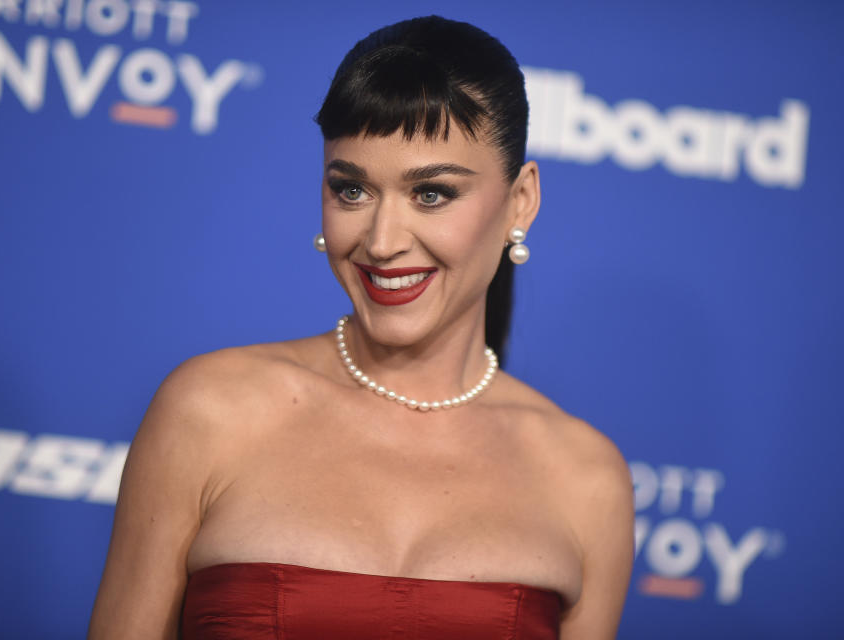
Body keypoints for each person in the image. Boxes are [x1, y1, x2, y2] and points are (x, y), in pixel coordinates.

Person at [88, 15, 634, 640]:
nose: (380, 241)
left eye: (431, 194)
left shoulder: (585, 479)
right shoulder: (209, 410)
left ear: (521, 202)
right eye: (351, 190)